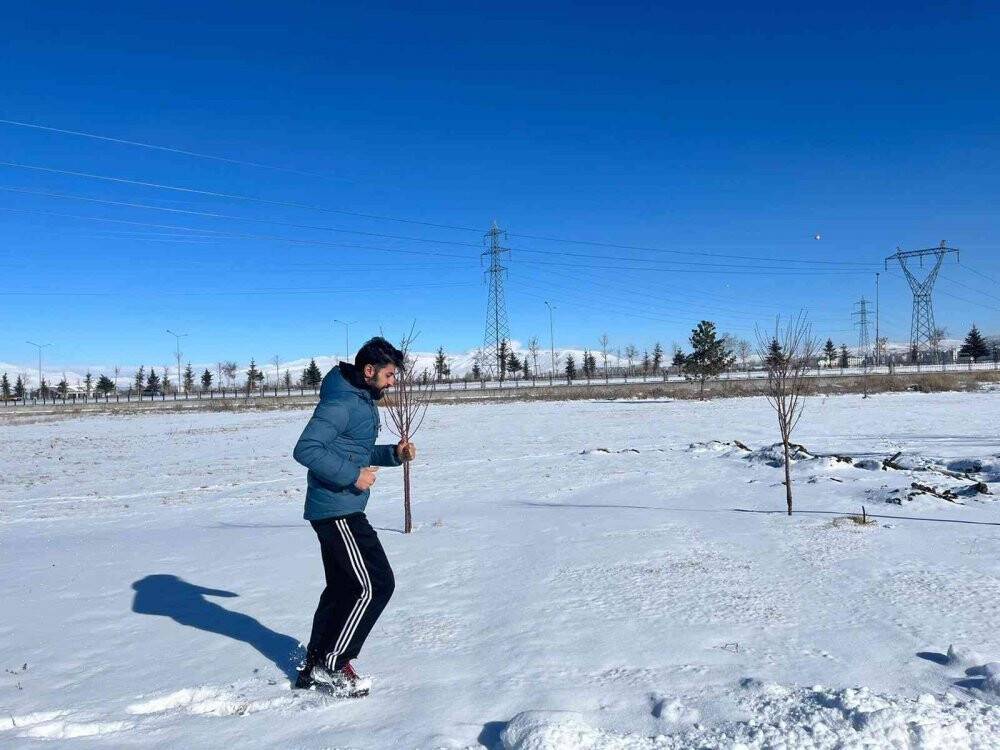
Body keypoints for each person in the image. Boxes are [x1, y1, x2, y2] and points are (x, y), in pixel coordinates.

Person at [292, 337, 415, 696]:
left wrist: (393, 453)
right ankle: (333, 662)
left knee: (343, 588)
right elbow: (306, 449)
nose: (393, 382)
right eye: (390, 375)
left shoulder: (360, 399)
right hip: (338, 509)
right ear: (369, 371)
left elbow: (353, 449)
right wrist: (353, 476)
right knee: (376, 584)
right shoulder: (343, 402)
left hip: (337, 507)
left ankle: (315, 662)